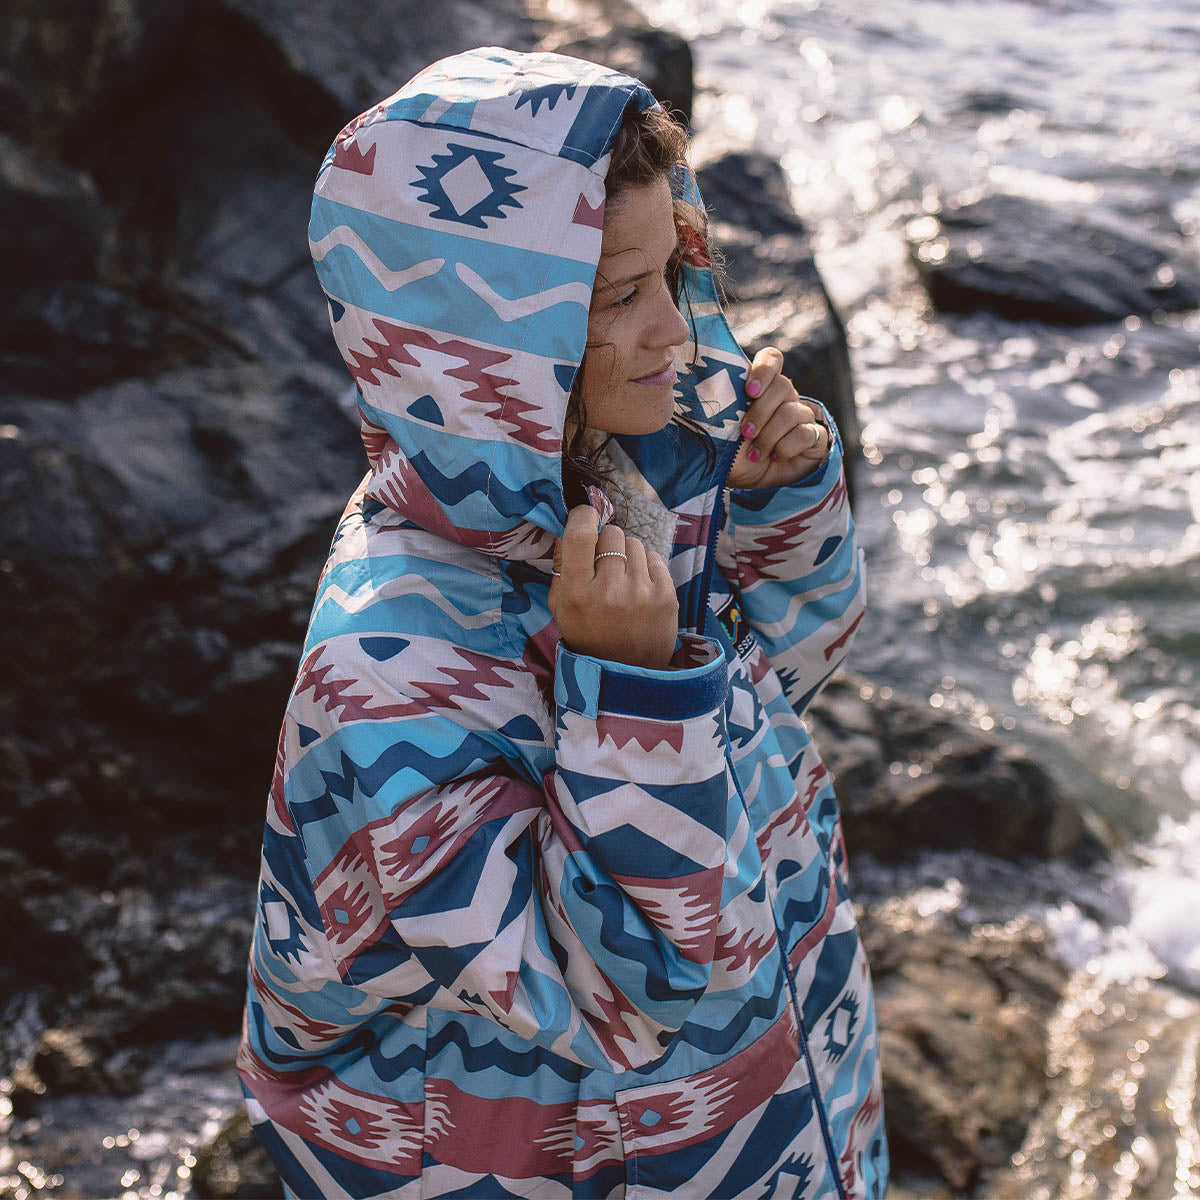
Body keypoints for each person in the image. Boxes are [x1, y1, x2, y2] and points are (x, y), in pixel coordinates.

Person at [237, 45, 888, 1199]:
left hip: (783, 1115)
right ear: (487, 341)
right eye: (619, 299)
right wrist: (633, 692)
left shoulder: (624, 487)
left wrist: (777, 506)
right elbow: (607, 999)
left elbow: (791, 679)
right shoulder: (387, 664)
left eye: (671, 275)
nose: (674, 332)